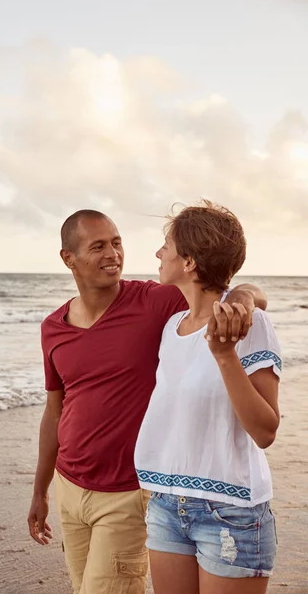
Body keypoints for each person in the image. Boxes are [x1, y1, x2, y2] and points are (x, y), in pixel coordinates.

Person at [27, 209, 267, 594]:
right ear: (67, 257)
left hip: (126, 492)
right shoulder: (53, 327)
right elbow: (55, 411)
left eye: (117, 242)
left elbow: (221, 287)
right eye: (99, 246)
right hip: (70, 488)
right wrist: (40, 490)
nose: (114, 254)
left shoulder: (154, 302)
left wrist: (241, 297)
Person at [135, 201, 280, 594]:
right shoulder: (172, 326)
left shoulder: (250, 324)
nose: (158, 253)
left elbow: (265, 431)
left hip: (230, 513)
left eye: (166, 244)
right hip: (166, 503)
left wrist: (224, 354)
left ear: (190, 261)